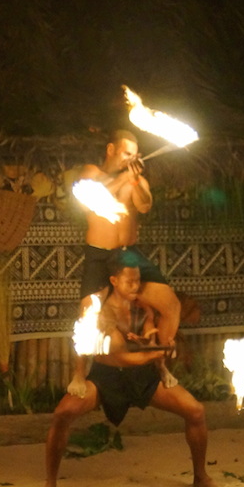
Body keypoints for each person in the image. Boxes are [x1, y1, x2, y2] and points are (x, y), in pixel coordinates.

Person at [37, 252, 219, 487]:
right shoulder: (98, 309)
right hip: (107, 376)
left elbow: (151, 338)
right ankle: (50, 485)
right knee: (62, 413)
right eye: (129, 282)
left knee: (196, 411)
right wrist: (79, 375)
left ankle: (200, 476)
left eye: (138, 281)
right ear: (114, 281)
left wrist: (160, 356)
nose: (136, 287)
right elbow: (111, 353)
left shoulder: (142, 308)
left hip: (142, 377)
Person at [71, 129, 181, 395]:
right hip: (100, 253)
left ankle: (160, 364)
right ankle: (77, 374)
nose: (131, 159)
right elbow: (93, 199)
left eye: (135, 155)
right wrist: (124, 177)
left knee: (171, 306)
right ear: (111, 149)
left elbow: (144, 205)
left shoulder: (134, 178)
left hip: (129, 254)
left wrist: (137, 182)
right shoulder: (91, 173)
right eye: (126, 153)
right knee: (88, 314)